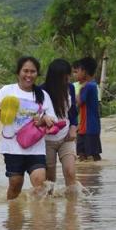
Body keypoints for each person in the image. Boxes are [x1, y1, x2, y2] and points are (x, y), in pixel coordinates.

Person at [0, 56, 56, 200]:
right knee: (15, 185)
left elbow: (53, 120)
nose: (28, 75)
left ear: (37, 74)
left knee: (40, 184)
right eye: (25, 71)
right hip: (12, 147)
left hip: (36, 147)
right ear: (18, 72)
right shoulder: (7, 90)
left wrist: (44, 120)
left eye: (32, 72)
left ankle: (39, 221)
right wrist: (1, 109)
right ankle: (13, 217)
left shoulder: (43, 95)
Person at [41, 59, 78, 190]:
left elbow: (73, 112)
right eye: (66, 76)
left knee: (70, 172)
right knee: (50, 180)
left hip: (66, 137)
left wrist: (73, 128)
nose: (69, 78)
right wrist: (43, 117)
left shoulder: (70, 88)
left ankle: (72, 208)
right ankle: (50, 209)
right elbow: (34, 115)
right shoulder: (41, 91)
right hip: (46, 140)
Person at [76, 57, 102, 161]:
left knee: (91, 156)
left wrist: (79, 90)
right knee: (84, 156)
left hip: (88, 127)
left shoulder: (88, 86)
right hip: (87, 127)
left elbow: (79, 102)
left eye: (78, 71)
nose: (76, 74)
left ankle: (92, 176)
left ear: (84, 71)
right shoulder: (93, 85)